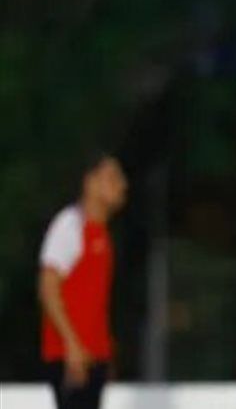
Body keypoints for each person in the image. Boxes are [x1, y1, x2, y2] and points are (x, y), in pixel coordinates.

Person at [38, 151, 128, 409]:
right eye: (112, 178)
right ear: (91, 183)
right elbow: (48, 287)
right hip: (72, 356)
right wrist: (72, 344)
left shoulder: (101, 234)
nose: (122, 185)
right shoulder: (71, 225)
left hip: (92, 354)